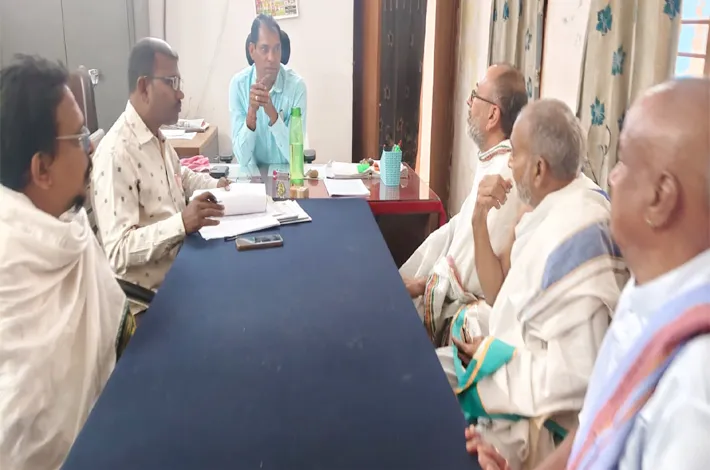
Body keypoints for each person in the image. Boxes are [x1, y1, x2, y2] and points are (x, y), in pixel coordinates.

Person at [473, 77, 709, 470]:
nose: (611, 178)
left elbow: (574, 382)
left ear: (660, 196)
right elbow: (593, 427)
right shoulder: (648, 292)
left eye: (624, 162)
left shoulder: (697, 380)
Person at [442, 99, 627, 470]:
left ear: (539, 168)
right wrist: (479, 219)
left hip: (545, 426)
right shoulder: (554, 205)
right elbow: (505, 298)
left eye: (515, 154)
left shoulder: (577, 233)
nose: (509, 164)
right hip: (519, 365)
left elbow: (576, 376)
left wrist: (495, 358)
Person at [0, 55, 135, 469]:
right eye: (78, 137)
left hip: (118, 425)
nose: (91, 145)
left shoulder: (67, 226)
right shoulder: (12, 267)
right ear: (42, 169)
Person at [400, 64, 528, 346]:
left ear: (493, 115)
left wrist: (422, 284)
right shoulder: (494, 160)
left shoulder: (505, 174)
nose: (469, 103)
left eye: (475, 95)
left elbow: (473, 277)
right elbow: (458, 231)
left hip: (475, 310)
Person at [92, 38, 228, 301]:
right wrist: (182, 223)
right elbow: (118, 252)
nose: (180, 94)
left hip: (182, 270)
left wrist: (217, 185)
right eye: (171, 83)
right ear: (144, 87)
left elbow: (181, 176)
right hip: (151, 299)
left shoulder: (155, 136)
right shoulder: (116, 153)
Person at [229, 14, 307, 166]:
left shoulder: (297, 87)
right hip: (252, 176)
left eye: (276, 49)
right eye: (264, 49)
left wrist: (273, 115)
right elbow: (242, 158)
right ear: (252, 50)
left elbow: (296, 158)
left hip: (286, 174)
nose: (272, 57)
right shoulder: (238, 85)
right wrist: (251, 113)